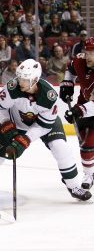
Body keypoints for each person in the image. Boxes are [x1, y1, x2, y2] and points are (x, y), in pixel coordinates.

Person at [0, 59, 92, 201]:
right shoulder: (12, 88)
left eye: (25, 79)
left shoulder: (49, 96)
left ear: (35, 80)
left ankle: (74, 186)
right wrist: (6, 123)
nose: (20, 82)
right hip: (15, 123)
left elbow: (43, 125)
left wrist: (25, 140)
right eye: (19, 78)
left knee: (60, 147)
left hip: (44, 124)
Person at [59, 37, 94, 190]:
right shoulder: (80, 60)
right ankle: (88, 174)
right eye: (86, 51)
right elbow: (71, 68)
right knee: (86, 143)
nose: (87, 56)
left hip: (88, 106)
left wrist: (79, 111)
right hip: (85, 102)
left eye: (91, 52)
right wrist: (68, 83)